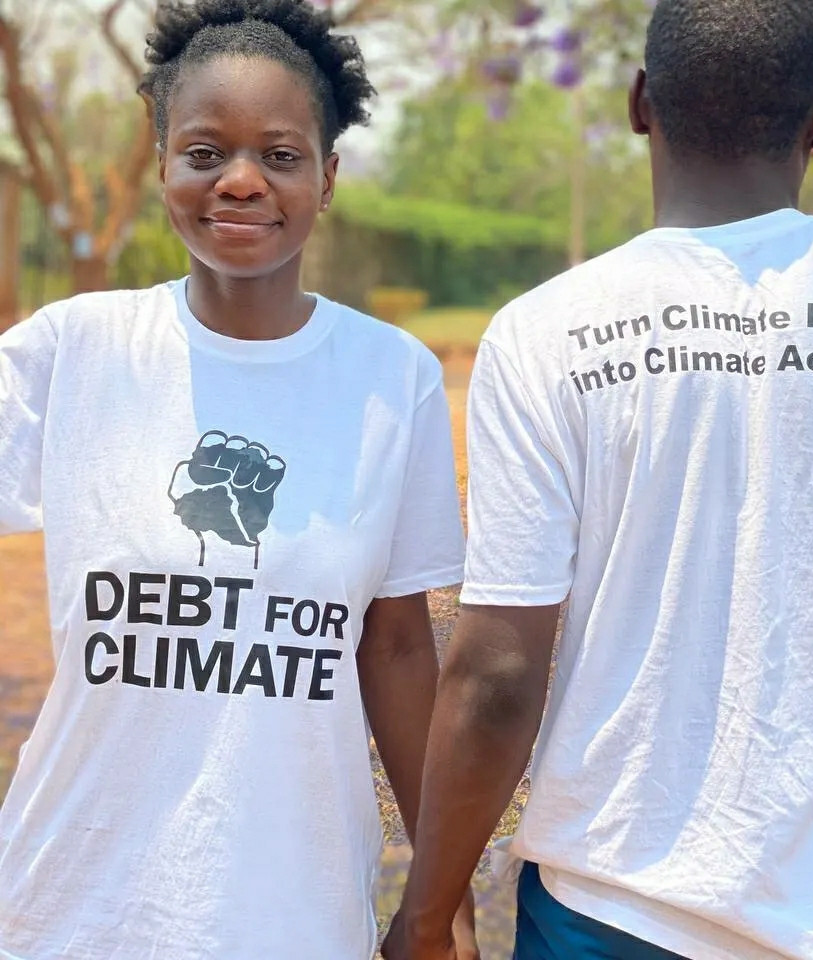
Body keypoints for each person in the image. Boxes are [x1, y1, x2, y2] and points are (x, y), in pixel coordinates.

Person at [383, 0, 813, 958]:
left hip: (602, 918)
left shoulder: (545, 331)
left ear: (640, 102)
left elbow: (496, 670)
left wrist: (426, 915)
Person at [0, 1, 475, 958]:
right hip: (69, 911)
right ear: (165, 159)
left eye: (283, 155)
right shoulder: (72, 354)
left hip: (293, 913)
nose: (243, 181)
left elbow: (395, 649)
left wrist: (443, 896)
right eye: (207, 151)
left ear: (329, 177)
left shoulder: (394, 381)